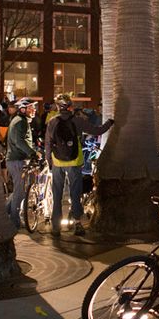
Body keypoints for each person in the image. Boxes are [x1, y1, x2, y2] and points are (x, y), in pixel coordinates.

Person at [44, 94, 114, 236]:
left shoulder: (52, 122)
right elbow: (97, 130)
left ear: (58, 107)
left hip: (57, 162)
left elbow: (48, 144)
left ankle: (56, 226)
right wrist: (110, 122)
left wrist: (49, 162)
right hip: (74, 161)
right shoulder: (77, 121)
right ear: (70, 106)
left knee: (57, 194)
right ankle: (77, 224)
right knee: (75, 193)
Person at [6, 98, 40, 230]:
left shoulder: (22, 121)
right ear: (23, 109)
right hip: (17, 161)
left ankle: (4, 213)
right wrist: (32, 153)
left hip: (17, 160)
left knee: (18, 190)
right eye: (31, 107)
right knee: (19, 193)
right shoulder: (20, 121)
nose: (34, 110)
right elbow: (19, 141)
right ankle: (14, 222)